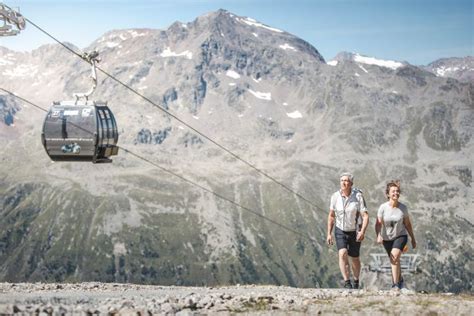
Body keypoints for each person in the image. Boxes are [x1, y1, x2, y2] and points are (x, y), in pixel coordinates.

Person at [327, 172, 369, 289]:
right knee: (342, 253)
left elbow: (365, 216)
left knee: (354, 257)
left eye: (346, 181)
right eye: (342, 180)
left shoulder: (358, 196)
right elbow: (331, 216)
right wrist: (329, 234)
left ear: (351, 183)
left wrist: (362, 232)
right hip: (340, 229)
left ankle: (355, 281)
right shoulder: (335, 196)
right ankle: (347, 282)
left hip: (354, 230)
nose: (344, 183)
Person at [375, 180, 416, 291]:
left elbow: (407, 224)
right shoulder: (383, 208)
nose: (396, 193)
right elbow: (378, 224)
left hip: (400, 236)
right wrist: (378, 235)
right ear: (388, 194)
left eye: (397, 191)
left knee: (395, 256)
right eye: (393, 191)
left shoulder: (403, 208)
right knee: (394, 260)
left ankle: (395, 285)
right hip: (387, 238)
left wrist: (412, 238)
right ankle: (400, 280)